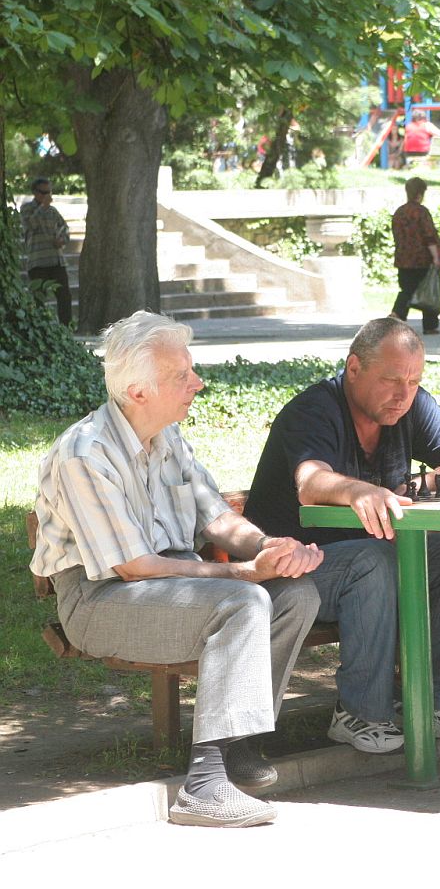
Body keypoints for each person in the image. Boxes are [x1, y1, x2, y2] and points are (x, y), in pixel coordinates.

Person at [30, 311, 322, 828]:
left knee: (297, 594)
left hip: (172, 586)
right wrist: (243, 576)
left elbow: (217, 519)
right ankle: (204, 786)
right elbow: (133, 566)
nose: (197, 383)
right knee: (245, 601)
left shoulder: (169, 439)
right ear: (138, 391)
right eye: (181, 376)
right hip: (100, 598)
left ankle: (236, 744)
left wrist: (268, 547)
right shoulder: (84, 452)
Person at [243, 318, 440, 754]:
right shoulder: (313, 411)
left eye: (414, 381)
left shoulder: (410, 406)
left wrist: (419, 487)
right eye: (391, 379)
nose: (403, 394)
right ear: (355, 368)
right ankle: (360, 712)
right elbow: (310, 481)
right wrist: (358, 490)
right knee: (372, 562)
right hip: (290, 569)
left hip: (364, 562)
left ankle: (421, 700)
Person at [389, 177, 440, 335]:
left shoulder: (399, 212)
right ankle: (430, 325)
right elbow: (429, 237)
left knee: (406, 289)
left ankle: (397, 315)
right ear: (420, 193)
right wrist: (436, 257)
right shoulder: (422, 212)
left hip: (403, 258)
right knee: (428, 290)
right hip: (422, 259)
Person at [20, 177, 72, 325]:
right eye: (44, 192)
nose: (47, 195)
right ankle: (40, 328)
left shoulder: (53, 211)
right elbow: (30, 226)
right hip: (37, 261)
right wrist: (42, 207)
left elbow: (65, 228)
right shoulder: (27, 208)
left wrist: (63, 240)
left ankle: (66, 327)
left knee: (64, 296)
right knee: (39, 298)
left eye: (49, 192)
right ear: (35, 192)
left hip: (56, 260)